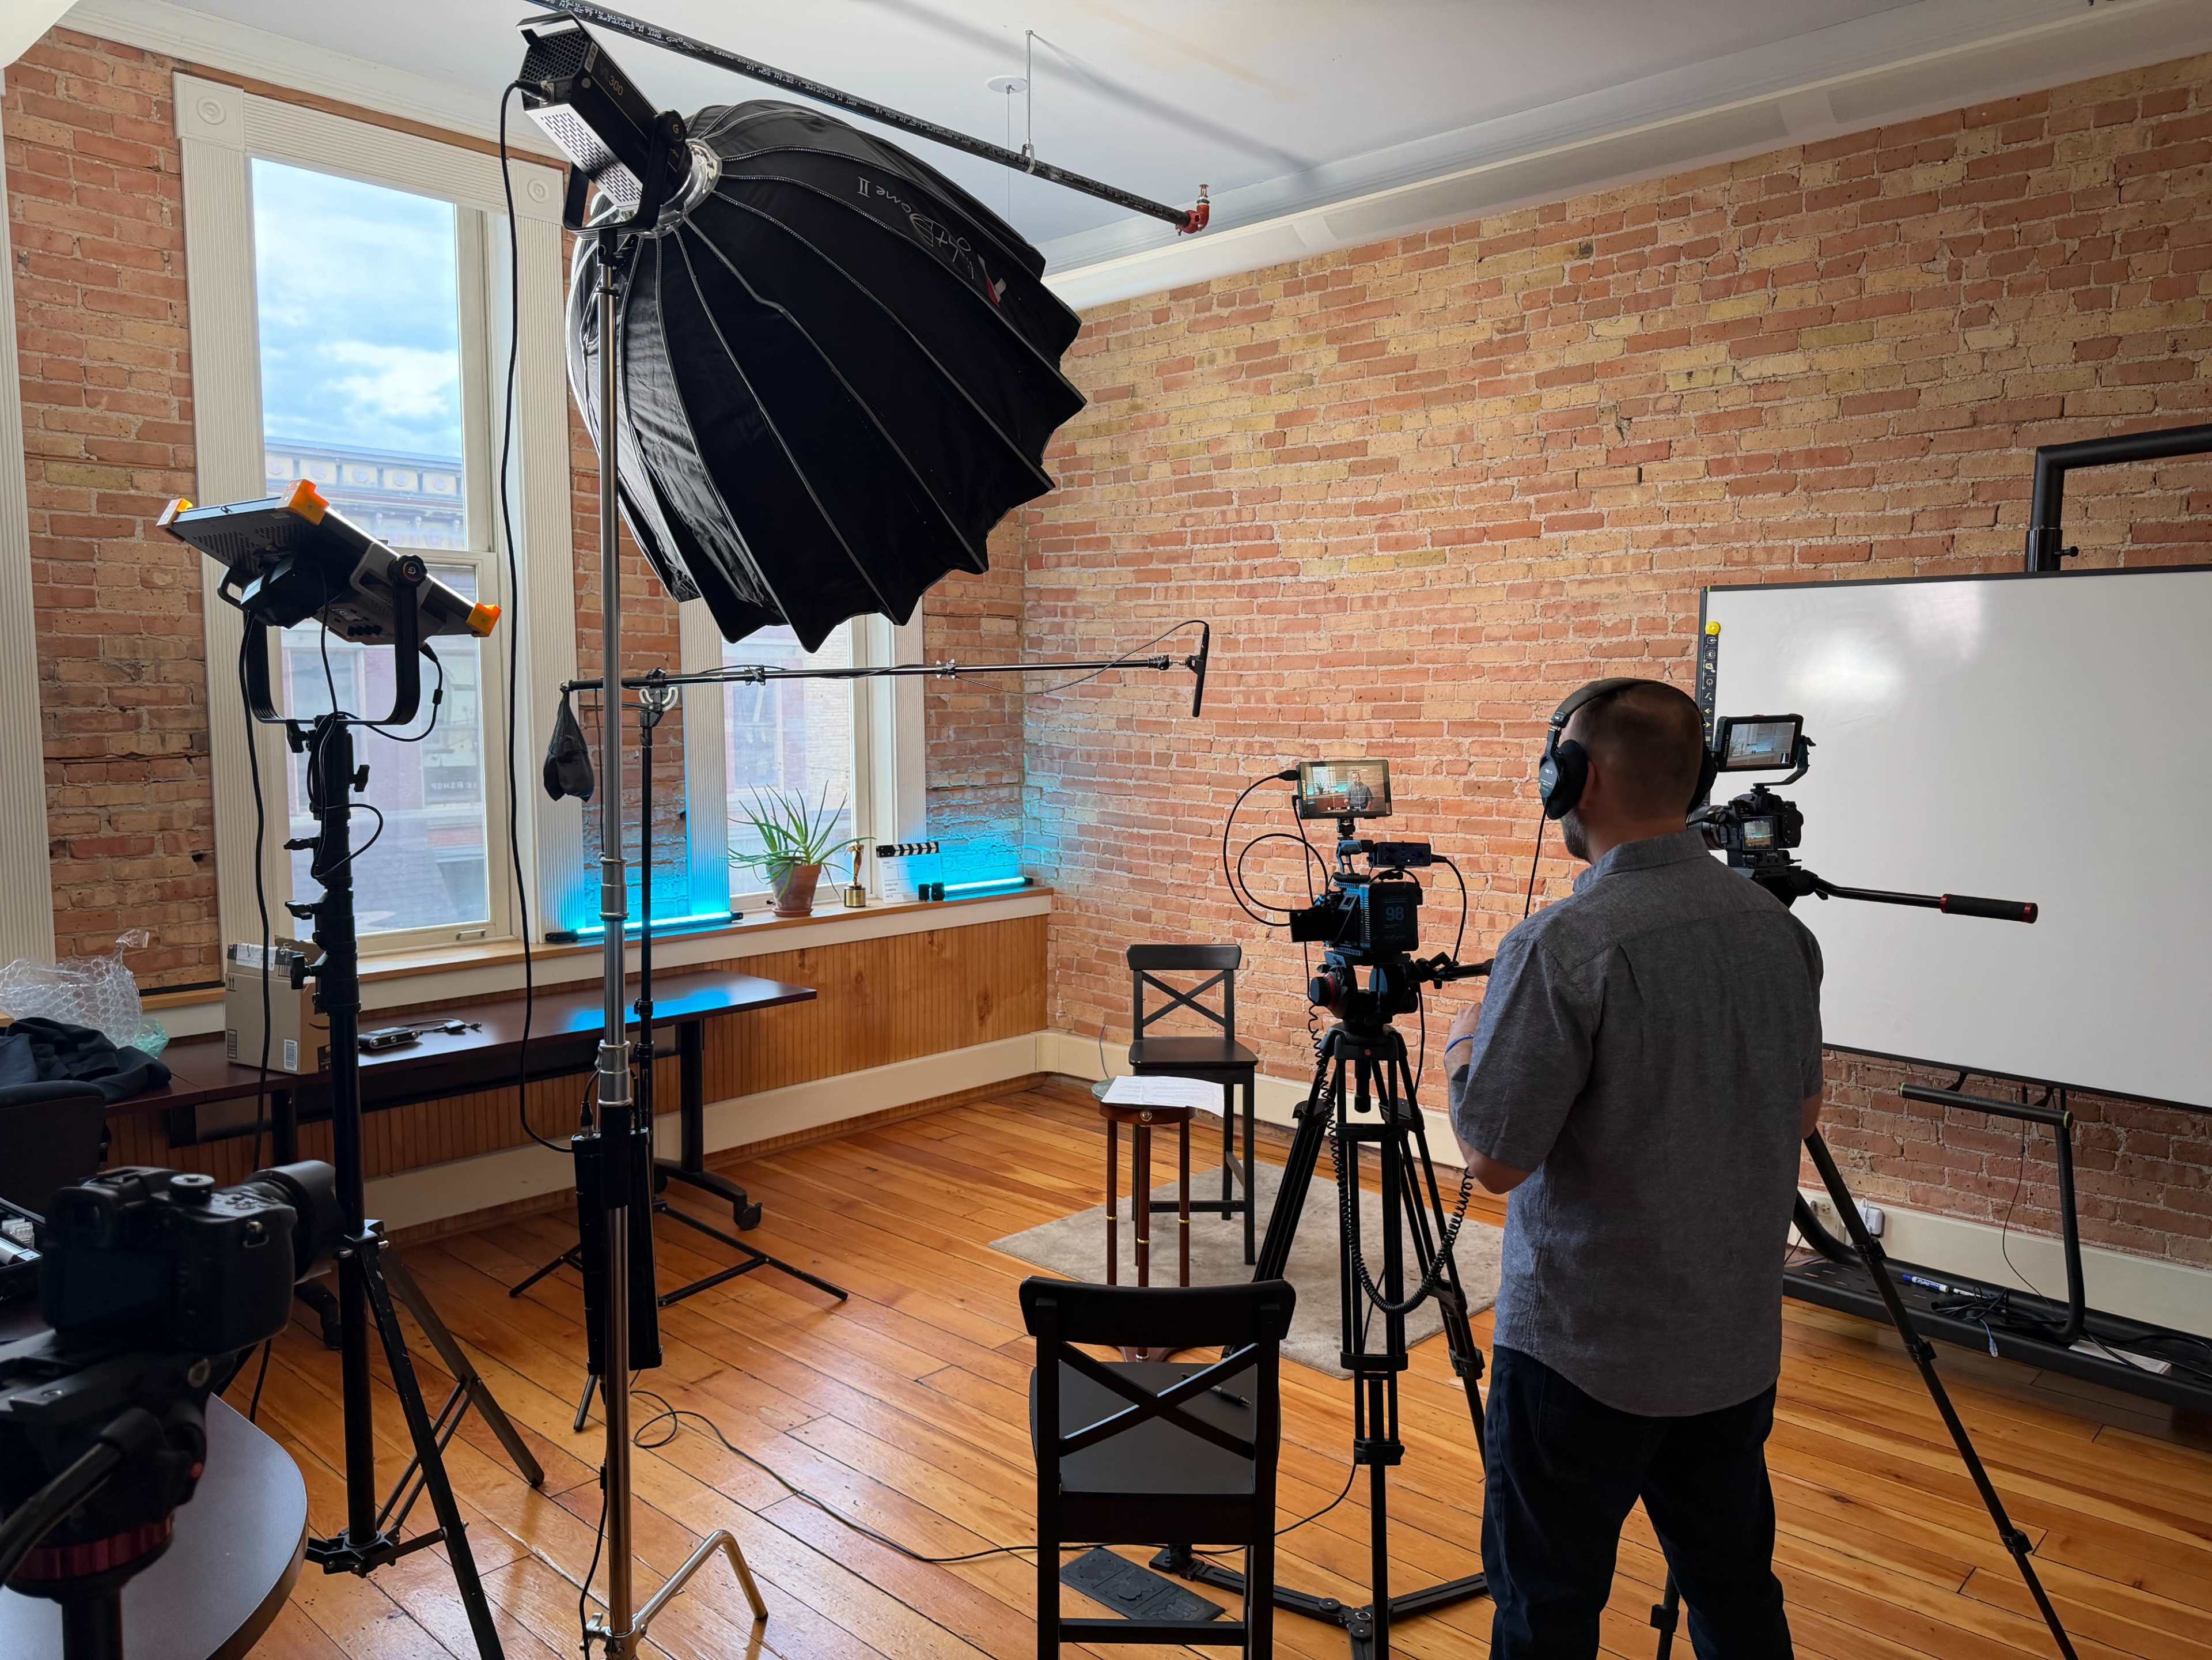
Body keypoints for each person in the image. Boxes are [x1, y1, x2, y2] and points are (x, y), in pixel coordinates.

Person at [1444, 678, 1824, 1660]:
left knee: (1548, 1607)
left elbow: (1493, 1158)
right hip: (1732, 1345)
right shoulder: (1781, 933)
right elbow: (1804, 1110)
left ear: (1582, 777)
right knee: (1735, 1591)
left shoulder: (1559, 946)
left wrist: (1462, 1044)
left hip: (1582, 1355)